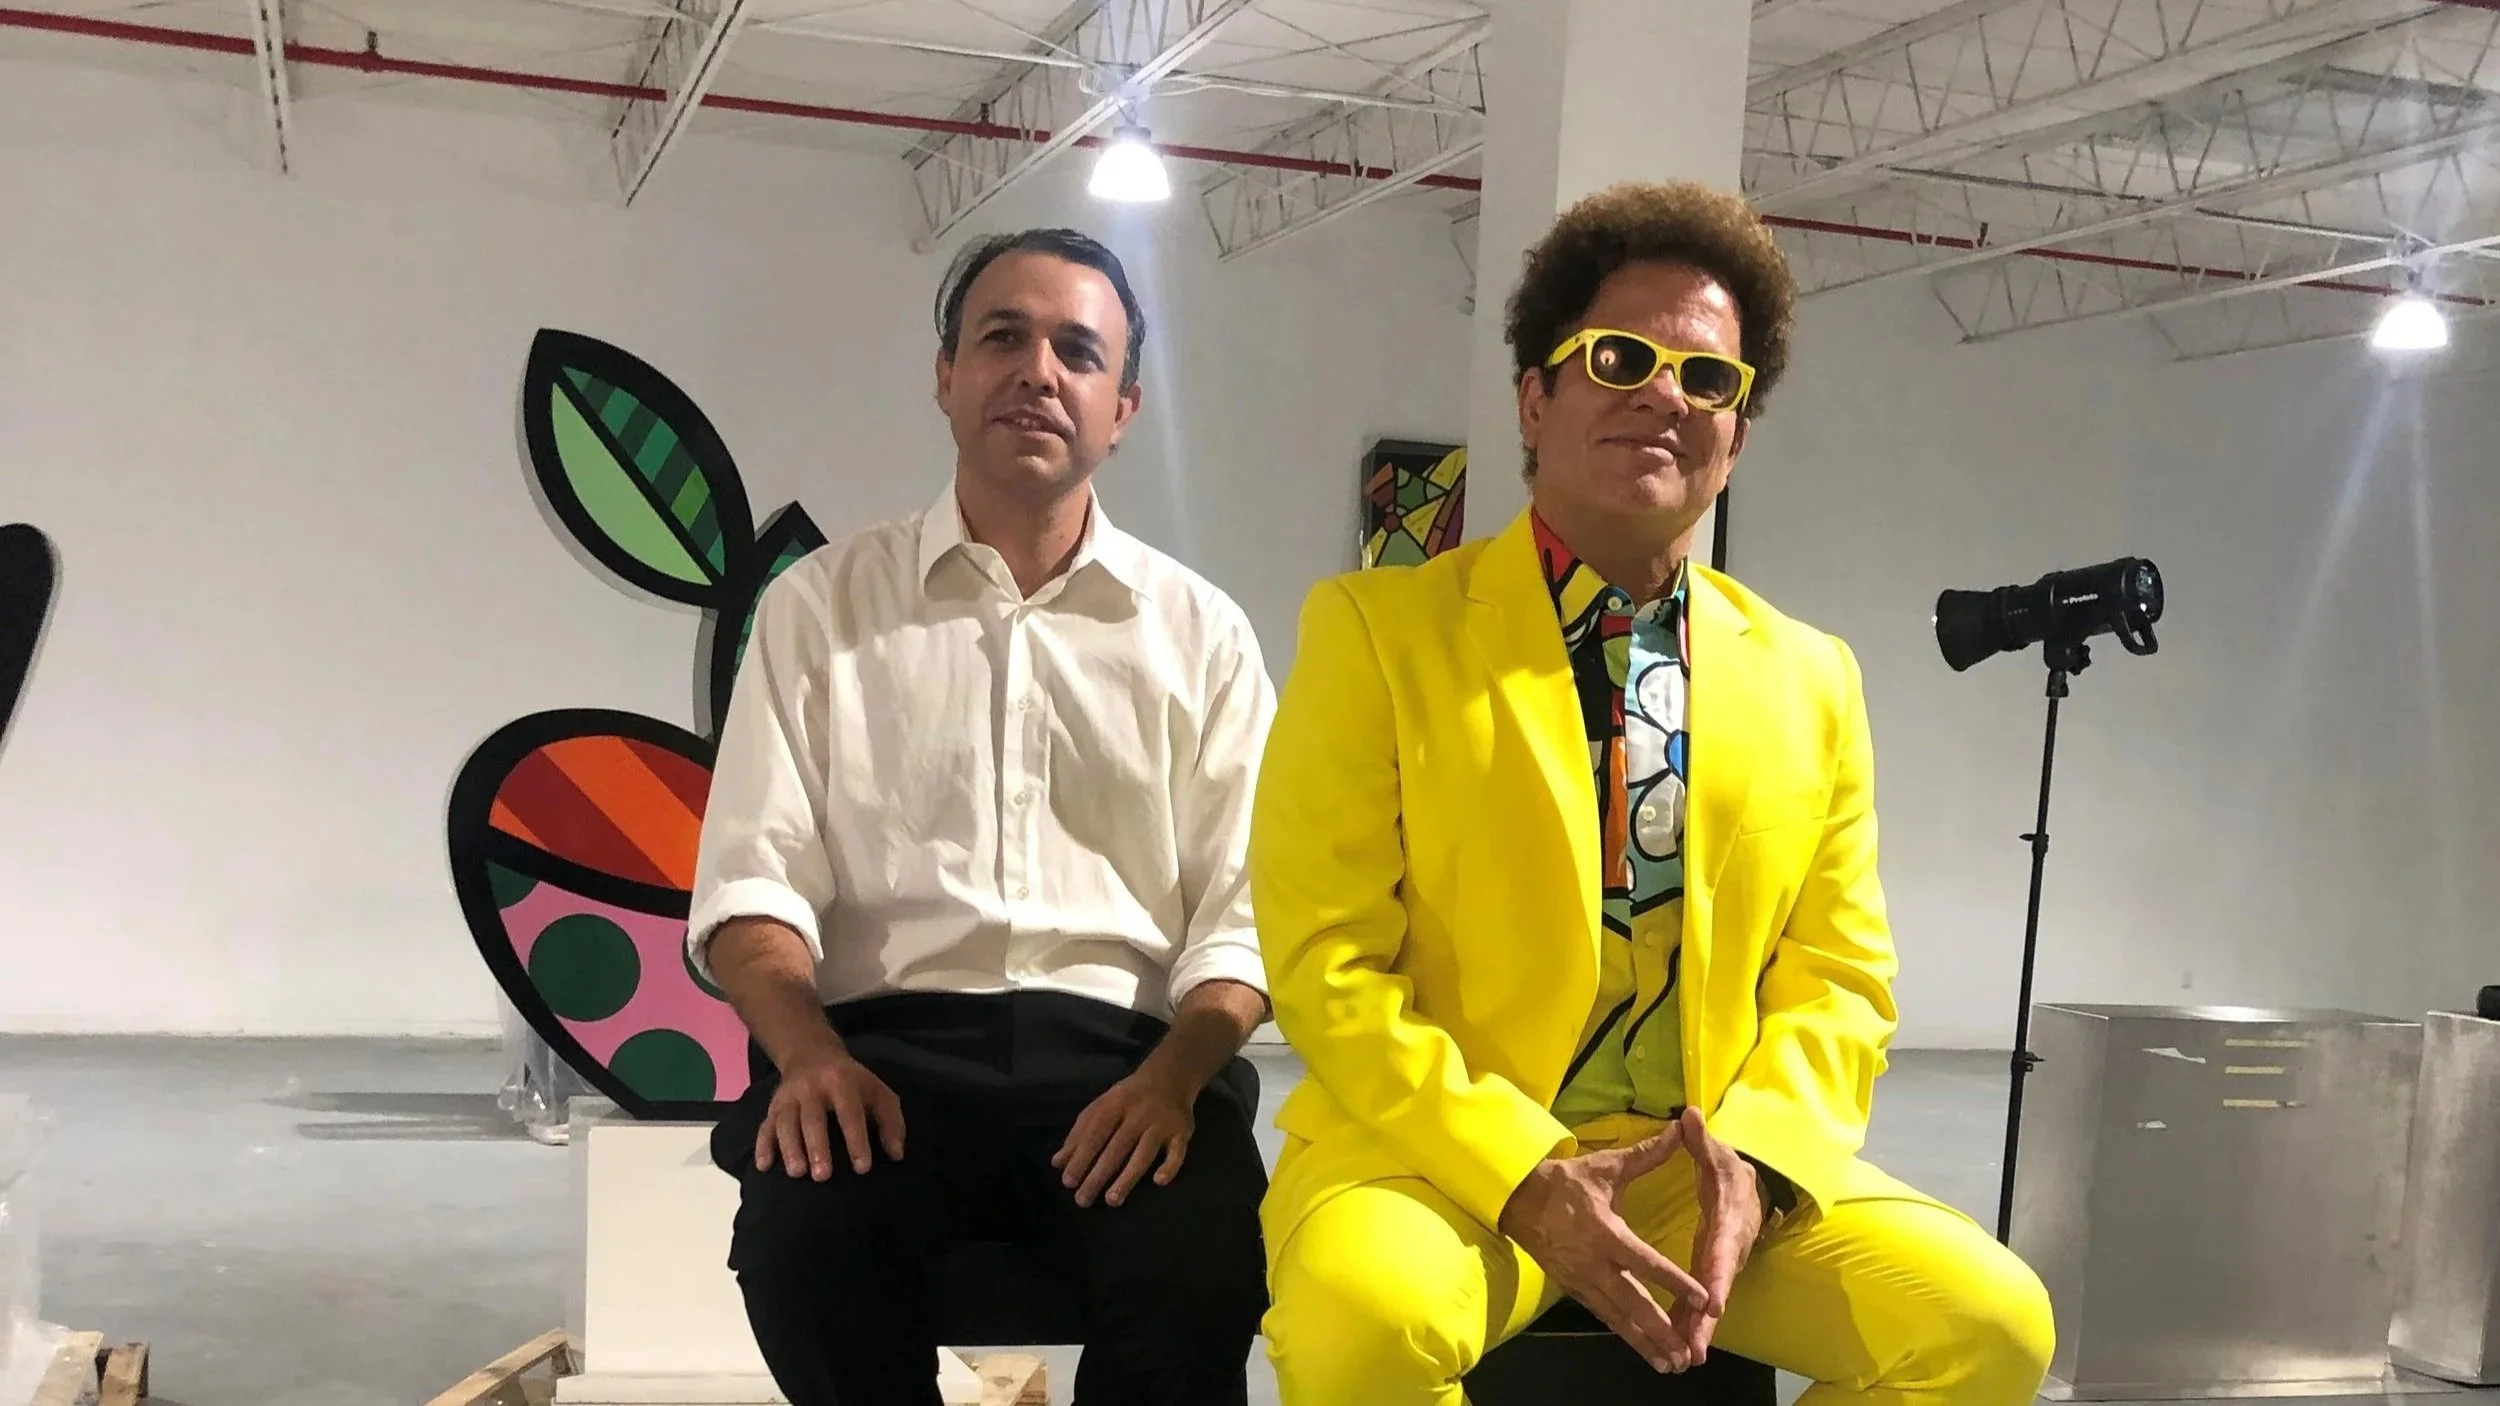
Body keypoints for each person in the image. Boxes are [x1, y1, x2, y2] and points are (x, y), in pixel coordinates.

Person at [1250, 180, 2057, 1406]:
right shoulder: (1379, 631)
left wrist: (1758, 1161)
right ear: (1536, 398)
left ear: (1735, 436)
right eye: (1620, 358)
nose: (1664, 395)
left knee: (1987, 1325)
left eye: (1707, 378)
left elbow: (1840, 976)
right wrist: (1521, 1168)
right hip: (1444, 1160)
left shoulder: (1811, 674)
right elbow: (1327, 962)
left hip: (1706, 1167)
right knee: (1363, 1328)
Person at [686, 227, 1275, 1406]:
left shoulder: (1201, 634)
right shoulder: (820, 607)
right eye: (1003, 337)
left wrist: (1176, 1075)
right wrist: (808, 1054)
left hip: (1127, 1060)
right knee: (804, 1240)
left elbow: (1247, 907)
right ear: (946, 376)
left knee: (1200, 1272)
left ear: (1123, 407)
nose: (1038, 371)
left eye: (1078, 351)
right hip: (884, 1055)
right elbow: (753, 880)